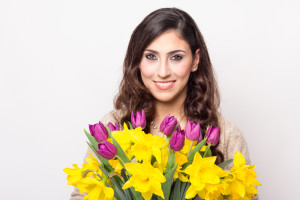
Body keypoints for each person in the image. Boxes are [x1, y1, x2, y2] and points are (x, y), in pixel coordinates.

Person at [70, 7, 257, 200]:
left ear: (195, 60)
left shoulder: (226, 135)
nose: (163, 71)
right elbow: (81, 195)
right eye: (151, 56)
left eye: (176, 57)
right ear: (138, 61)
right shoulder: (113, 126)